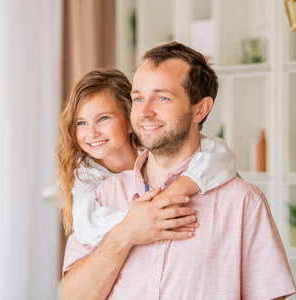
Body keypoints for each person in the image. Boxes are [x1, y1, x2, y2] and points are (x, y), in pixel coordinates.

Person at [61, 42, 296, 300]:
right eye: (138, 98)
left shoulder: (242, 202)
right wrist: (123, 235)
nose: (145, 111)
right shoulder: (103, 196)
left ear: (200, 109)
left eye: (162, 97)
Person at [57, 69, 236, 248]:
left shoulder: (155, 148)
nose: (92, 133)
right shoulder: (86, 175)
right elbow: (88, 229)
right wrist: (141, 217)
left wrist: (176, 191)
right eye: (81, 123)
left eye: (103, 118)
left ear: (130, 121)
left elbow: (221, 154)